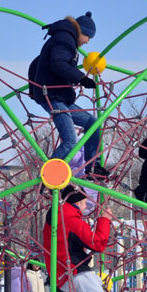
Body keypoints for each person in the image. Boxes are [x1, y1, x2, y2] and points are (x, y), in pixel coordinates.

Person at [42, 185, 147, 292]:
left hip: (62, 272)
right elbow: (98, 242)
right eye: (84, 204)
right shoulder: (70, 219)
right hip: (73, 271)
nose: (86, 208)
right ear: (78, 203)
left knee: (99, 289)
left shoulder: (57, 215)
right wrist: (104, 219)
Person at [27, 12, 108, 179]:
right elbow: (57, 63)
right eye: (88, 37)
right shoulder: (65, 38)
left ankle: (93, 166)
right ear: (82, 32)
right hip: (53, 96)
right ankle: (48, 175)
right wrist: (81, 79)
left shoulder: (64, 38)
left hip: (61, 96)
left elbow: (37, 62)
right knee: (71, 141)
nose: (88, 41)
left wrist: (32, 88)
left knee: (92, 123)